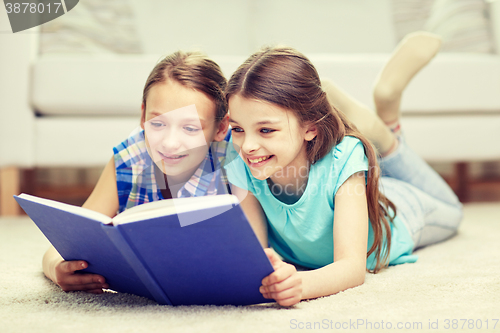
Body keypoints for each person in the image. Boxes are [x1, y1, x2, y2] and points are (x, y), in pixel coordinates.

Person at [224, 32, 463, 307]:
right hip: (358, 190)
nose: (248, 146)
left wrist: (299, 285)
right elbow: (257, 252)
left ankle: (387, 128)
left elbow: (351, 268)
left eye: (266, 129)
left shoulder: (344, 157)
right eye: (238, 129)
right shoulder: (239, 157)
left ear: (310, 127)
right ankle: (382, 130)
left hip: (401, 210)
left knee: (453, 210)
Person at [42, 51, 231, 294]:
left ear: (221, 127)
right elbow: (65, 243)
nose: (170, 143)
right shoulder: (129, 160)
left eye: (190, 127)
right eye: (159, 124)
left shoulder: (232, 162)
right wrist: (56, 267)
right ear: (143, 116)